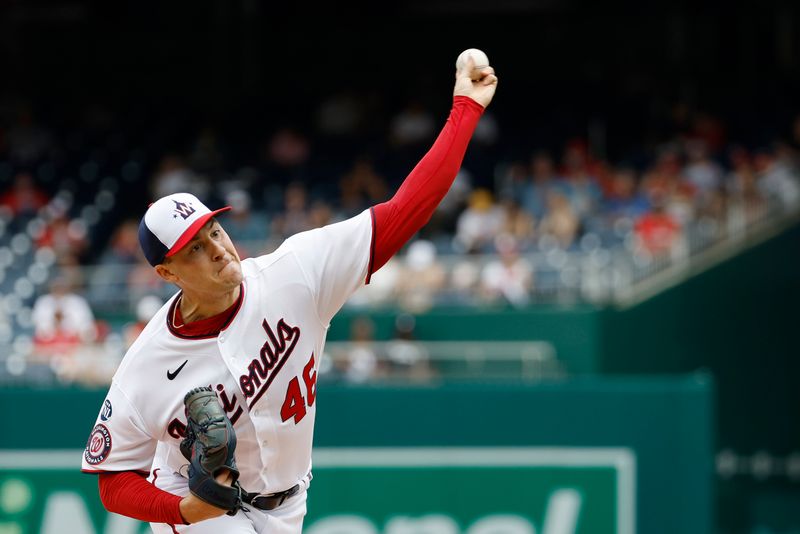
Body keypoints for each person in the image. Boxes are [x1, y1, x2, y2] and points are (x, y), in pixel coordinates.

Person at [80, 56, 498, 533]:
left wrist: (465, 107)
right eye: (194, 248)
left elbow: (405, 210)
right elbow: (112, 481)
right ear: (165, 271)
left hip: (287, 503)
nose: (217, 249)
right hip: (198, 503)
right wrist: (181, 512)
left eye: (214, 231)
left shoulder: (295, 273)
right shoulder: (147, 364)